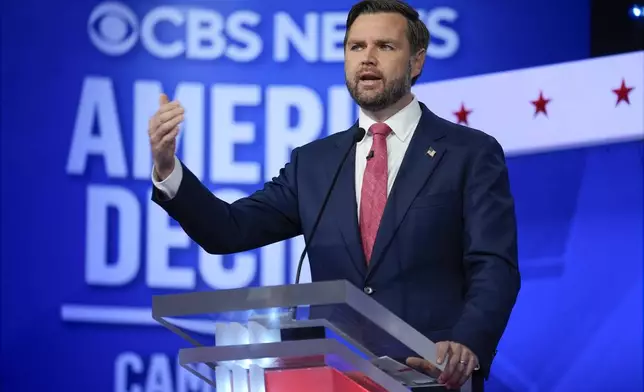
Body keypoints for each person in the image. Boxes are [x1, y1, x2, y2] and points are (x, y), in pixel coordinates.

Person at [148, 0, 520, 390]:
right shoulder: (316, 163)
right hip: (332, 378)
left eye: (385, 47)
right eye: (356, 47)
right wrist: (168, 169)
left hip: (429, 376)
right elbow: (228, 230)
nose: (367, 59)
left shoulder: (467, 153)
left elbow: (494, 266)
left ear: (416, 63)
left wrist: (467, 342)